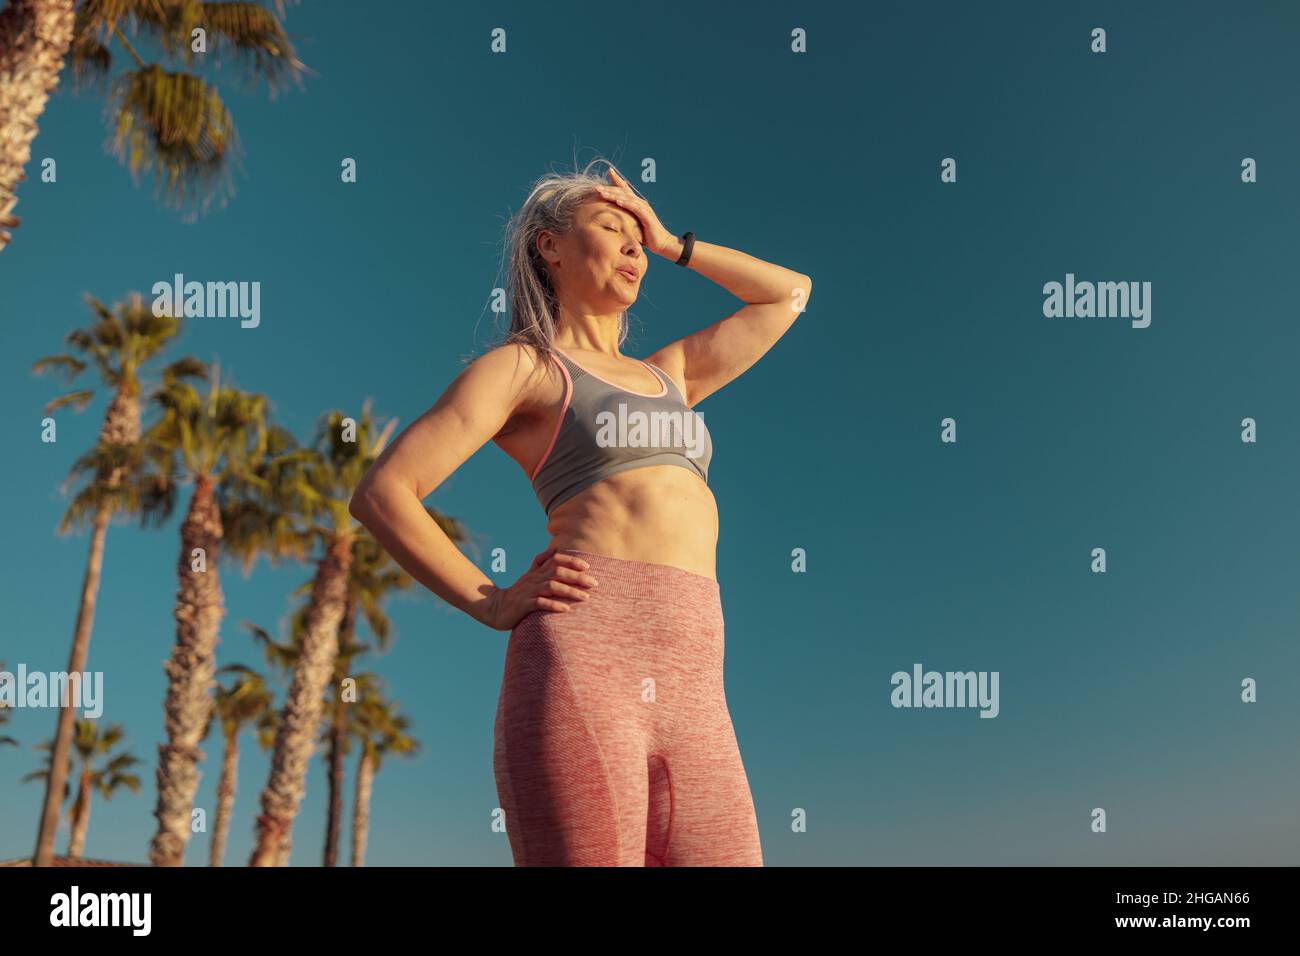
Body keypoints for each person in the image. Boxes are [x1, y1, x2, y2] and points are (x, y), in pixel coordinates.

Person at [349, 158, 811, 865]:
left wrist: (670, 241)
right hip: (584, 667)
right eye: (610, 227)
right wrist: (492, 600)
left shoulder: (674, 375)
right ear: (550, 246)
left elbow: (788, 296)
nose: (633, 247)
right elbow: (384, 492)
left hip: (697, 691)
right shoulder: (526, 368)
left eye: (638, 237)